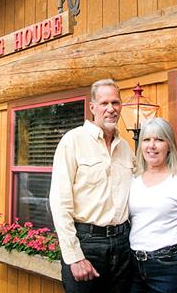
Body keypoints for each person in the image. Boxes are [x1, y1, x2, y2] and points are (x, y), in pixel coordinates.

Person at [49, 78, 135, 292]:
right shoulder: (73, 141)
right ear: (92, 107)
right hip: (87, 243)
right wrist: (74, 256)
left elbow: (141, 194)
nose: (111, 109)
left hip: (124, 244)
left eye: (115, 103)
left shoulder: (125, 148)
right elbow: (60, 203)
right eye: (104, 103)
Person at [129, 117, 177, 293]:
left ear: (169, 145)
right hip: (133, 267)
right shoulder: (133, 180)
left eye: (159, 139)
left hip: (170, 266)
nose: (152, 145)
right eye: (146, 140)